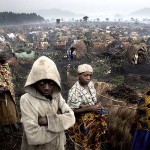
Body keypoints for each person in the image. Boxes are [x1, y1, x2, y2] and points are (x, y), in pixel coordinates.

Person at [20, 56, 75, 150]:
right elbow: (34, 135)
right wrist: (60, 125)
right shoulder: (26, 100)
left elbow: (71, 117)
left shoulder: (57, 96)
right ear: (34, 82)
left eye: (51, 83)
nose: (46, 87)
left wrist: (47, 120)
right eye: (41, 83)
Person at [67, 64, 107, 150]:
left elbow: (94, 100)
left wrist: (98, 104)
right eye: (85, 75)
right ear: (79, 76)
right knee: (83, 145)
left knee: (93, 142)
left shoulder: (90, 85)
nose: (88, 78)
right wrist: (90, 108)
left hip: (93, 123)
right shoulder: (74, 91)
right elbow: (71, 111)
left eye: (90, 75)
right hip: (82, 125)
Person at [0, 49, 19, 133]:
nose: (3, 58)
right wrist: (2, 87)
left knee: (11, 105)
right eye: (1, 57)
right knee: (3, 108)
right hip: (2, 92)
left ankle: (13, 122)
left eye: (4, 56)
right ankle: (6, 125)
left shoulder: (5, 66)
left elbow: (12, 60)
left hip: (9, 91)